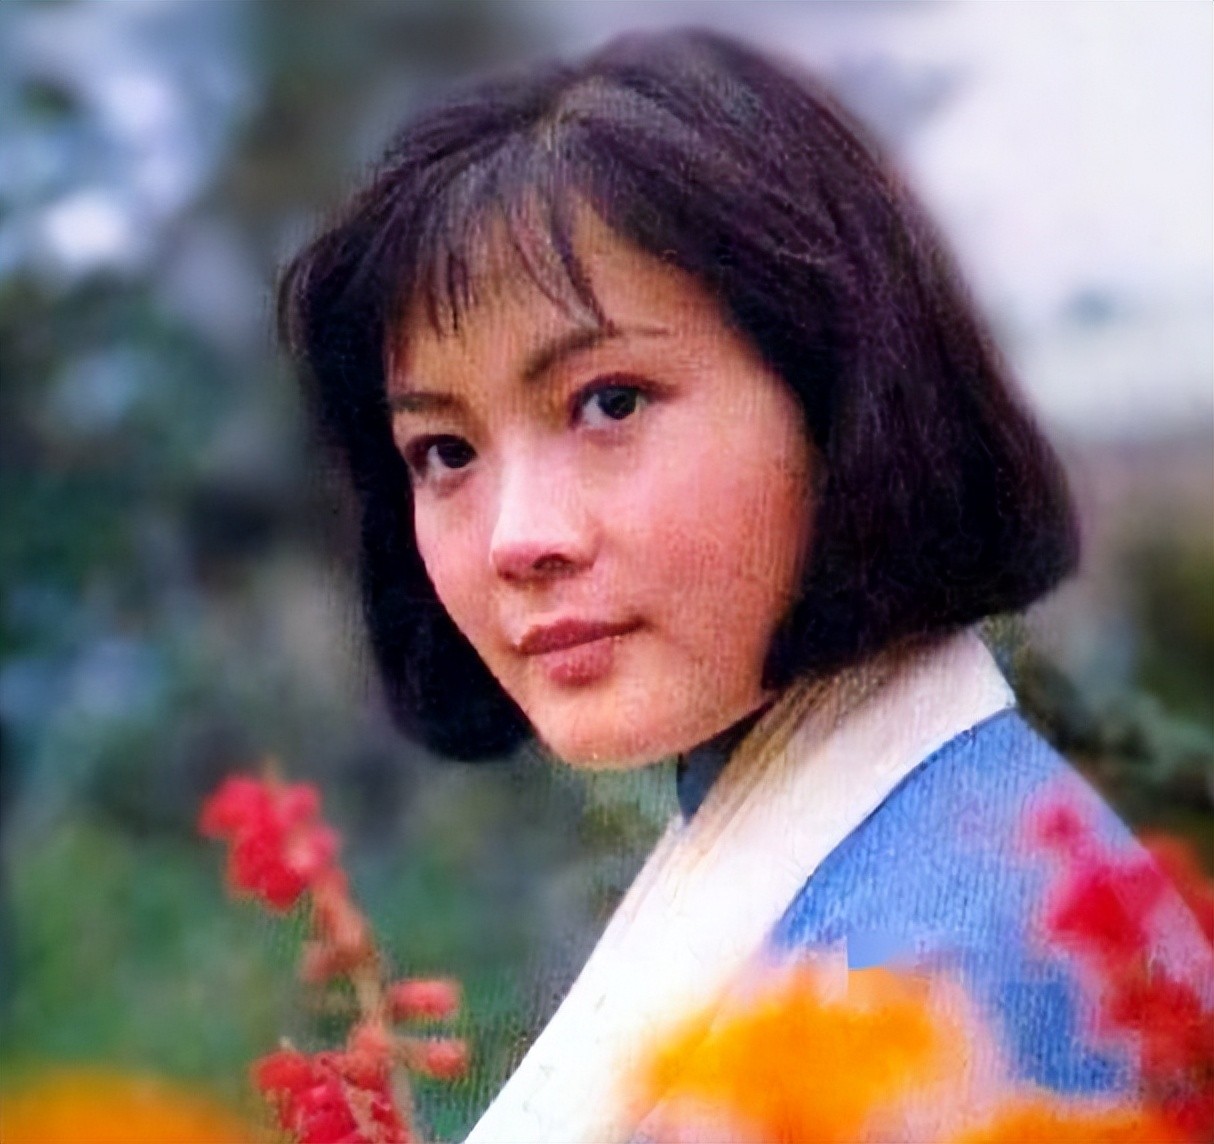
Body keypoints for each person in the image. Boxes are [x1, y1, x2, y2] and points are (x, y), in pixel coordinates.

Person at [277, 28, 1213, 1142]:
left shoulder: (945, 1001)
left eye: (609, 402)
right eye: (444, 451)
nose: (516, 540)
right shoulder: (875, 855)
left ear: (837, 396)